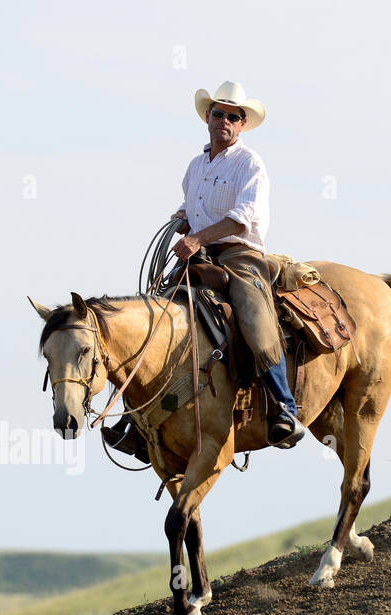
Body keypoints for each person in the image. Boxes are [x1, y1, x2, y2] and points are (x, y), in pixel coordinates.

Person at [170, 81, 305, 449]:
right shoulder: (196, 166)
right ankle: (150, 415)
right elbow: (192, 207)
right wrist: (183, 219)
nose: (225, 121)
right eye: (219, 113)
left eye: (234, 116)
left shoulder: (250, 164)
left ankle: (283, 408)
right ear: (208, 118)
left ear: (242, 124)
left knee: (255, 320)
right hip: (199, 256)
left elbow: (242, 218)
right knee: (158, 309)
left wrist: (198, 237)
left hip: (239, 255)